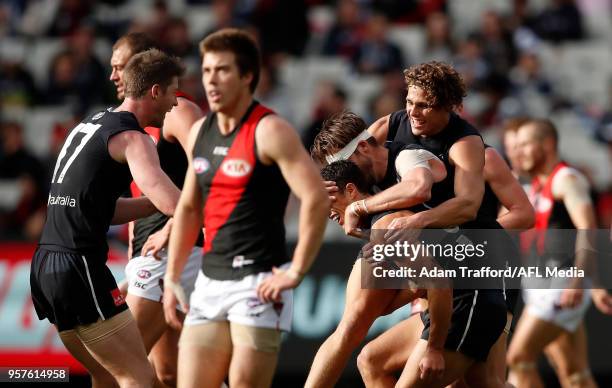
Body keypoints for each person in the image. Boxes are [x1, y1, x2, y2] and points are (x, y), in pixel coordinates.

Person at [312, 61, 510, 388]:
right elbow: (347, 160)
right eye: (408, 101)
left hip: (480, 264)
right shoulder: (390, 127)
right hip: (440, 260)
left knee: (483, 379)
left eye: (424, 105)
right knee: (369, 357)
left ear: (449, 106)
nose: (413, 112)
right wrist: (322, 190)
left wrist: (392, 216)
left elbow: (465, 205)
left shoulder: (462, 144)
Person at [161, 28, 329, 388]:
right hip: (209, 281)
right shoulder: (201, 130)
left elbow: (316, 196)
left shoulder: (270, 130)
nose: (211, 80)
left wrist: (296, 270)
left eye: (222, 70)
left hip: (258, 284)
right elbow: (190, 207)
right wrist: (173, 277)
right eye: (206, 71)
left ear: (247, 76)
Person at [30, 49, 184, 388]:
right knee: (137, 377)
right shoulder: (134, 138)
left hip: (46, 266)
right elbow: (174, 203)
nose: (176, 102)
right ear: (155, 91)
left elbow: (100, 208)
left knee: (108, 376)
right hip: (79, 267)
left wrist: (149, 205)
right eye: (174, 91)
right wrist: (219, 203)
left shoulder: (90, 123)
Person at [110, 32, 205, 387]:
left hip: (168, 248)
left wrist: (173, 226)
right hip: (149, 252)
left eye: (119, 67)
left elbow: (213, 167)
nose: (114, 76)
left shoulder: (177, 109)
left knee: (118, 368)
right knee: (168, 374)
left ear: (141, 66)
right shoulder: (132, 122)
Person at [507, 119, 612, 388]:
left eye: (525, 145)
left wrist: (580, 279)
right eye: (515, 146)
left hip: (561, 285)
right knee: (574, 372)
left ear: (548, 144)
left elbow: (588, 227)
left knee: (519, 357)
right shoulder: (539, 185)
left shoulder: (567, 179)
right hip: (544, 284)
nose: (519, 152)